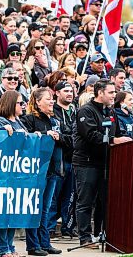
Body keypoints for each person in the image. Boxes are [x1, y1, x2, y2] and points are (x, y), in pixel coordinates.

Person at [73, 80, 131, 248]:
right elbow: (91, 135)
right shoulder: (86, 111)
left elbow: (119, 132)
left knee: (104, 201)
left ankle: (102, 233)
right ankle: (84, 237)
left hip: (106, 163)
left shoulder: (111, 112)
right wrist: (114, 140)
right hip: (87, 163)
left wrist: (125, 139)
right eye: (111, 92)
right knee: (85, 202)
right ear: (100, 93)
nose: (115, 96)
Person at [21, 87, 63, 256]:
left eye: (52, 98)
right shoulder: (29, 119)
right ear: (37, 102)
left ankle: (45, 242)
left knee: (45, 208)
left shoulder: (56, 119)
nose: (52, 101)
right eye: (48, 99)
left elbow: (68, 138)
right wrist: (46, 134)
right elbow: (27, 140)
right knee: (35, 208)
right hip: (36, 171)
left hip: (52, 169)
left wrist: (58, 136)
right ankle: (33, 245)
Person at [0, 90, 27, 257]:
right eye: (20, 103)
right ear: (11, 104)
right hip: (3, 174)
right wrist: (4, 128)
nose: (23, 105)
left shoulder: (20, 122)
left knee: (13, 212)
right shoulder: (1, 120)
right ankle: (0, 248)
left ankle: (10, 246)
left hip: (18, 173)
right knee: (2, 212)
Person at [50, 82, 77, 238]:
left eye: (71, 91)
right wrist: (65, 138)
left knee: (70, 196)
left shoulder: (76, 111)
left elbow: (74, 136)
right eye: (65, 90)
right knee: (54, 196)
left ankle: (68, 227)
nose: (69, 93)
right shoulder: (53, 111)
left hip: (73, 159)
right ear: (57, 93)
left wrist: (63, 138)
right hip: (58, 160)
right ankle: (50, 228)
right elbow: (59, 134)